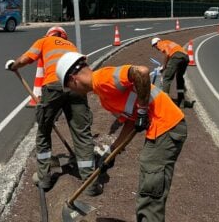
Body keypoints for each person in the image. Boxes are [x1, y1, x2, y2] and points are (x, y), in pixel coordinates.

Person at [56, 52, 187, 222]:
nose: (73, 91)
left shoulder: (102, 79)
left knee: (151, 187)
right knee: (148, 183)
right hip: (162, 128)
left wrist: (142, 111)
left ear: (73, 79)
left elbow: (141, 72)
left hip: (167, 126)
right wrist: (111, 153)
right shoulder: (103, 97)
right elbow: (131, 122)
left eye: (70, 88)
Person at [4, 26, 101, 196]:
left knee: (44, 130)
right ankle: (90, 184)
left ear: (49, 34)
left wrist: (14, 66)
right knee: (82, 133)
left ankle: (44, 178)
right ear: (64, 36)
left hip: (53, 85)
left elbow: (26, 58)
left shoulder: (44, 41)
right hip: (77, 86)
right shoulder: (71, 46)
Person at [150, 37, 192, 107]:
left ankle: (165, 102)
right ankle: (181, 102)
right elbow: (171, 54)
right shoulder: (169, 42)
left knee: (167, 78)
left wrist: (164, 66)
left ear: (158, 42)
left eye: (155, 45)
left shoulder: (161, 43)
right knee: (179, 78)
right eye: (154, 46)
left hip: (176, 57)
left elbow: (167, 54)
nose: (156, 47)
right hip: (185, 57)